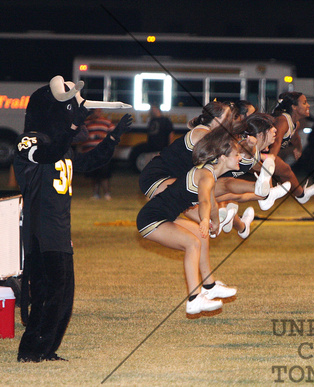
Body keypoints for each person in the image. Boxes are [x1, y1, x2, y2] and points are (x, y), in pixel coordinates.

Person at [14, 75, 132, 362]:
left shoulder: (63, 145)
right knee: (46, 292)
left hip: (59, 227)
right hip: (39, 229)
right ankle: (31, 351)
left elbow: (90, 163)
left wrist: (112, 139)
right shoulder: (28, 141)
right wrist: (72, 126)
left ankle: (48, 349)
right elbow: (45, 155)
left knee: (64, 294)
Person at [137, 127, 240, 315]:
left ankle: (209, 286)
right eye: (236, 154)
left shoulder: (210, 174)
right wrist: (205, 219)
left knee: (201, 237)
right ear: (223, 158)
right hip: (151, 218)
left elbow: (214, 205)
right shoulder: (206, 175)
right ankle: (194, 300)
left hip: (163, 217)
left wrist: (215, 222)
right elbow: (205, 201)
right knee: (192, 243)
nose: (240, 157)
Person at [269, 92, 314, 205]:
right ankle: (269, 193)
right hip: (257, 153)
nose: (308, 105)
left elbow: (295, 139)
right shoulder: (283, 121)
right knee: (284, 169)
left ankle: (300, 195)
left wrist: (298, 149)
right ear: (294, 107)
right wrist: (270, 162)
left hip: (266, 154)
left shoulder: (295, 123)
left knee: (285, 171)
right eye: (304, 103)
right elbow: (276, 142)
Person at [79, 108, 114, 200]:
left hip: (103, 154)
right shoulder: (86, 123)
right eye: (97, 111)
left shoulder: (106, 122)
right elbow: (81, 137)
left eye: (100, 111)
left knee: (104, 175)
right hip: (90, 153)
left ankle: (107, 193)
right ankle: (95, 194)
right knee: (93, 175)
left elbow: (114, 135)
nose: (99, 113)